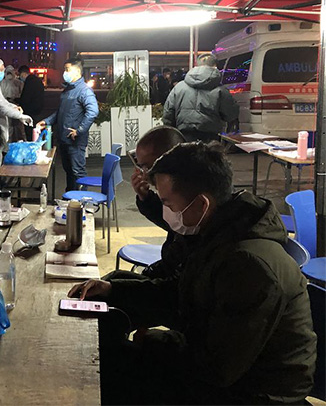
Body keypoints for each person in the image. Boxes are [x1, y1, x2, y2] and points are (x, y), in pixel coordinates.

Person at [69, 142, 317, 405]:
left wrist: (153, 340)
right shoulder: (217, 232)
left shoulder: (249, 265)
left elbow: (217, 366)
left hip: (255, 393)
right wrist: (112, 290)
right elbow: (180, 292)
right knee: (110, 357)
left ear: (201, 203)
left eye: (167, 203)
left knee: (109, 376)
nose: (165, 211)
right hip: (227, 373)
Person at [103, 126, 187, 282]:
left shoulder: (191, 201)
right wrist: (146, 197)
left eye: (147, 166)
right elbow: (171, 227)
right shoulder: (183, 201)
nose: (144, 173)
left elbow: (176, 287)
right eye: (140, 166)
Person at [37, 56, 98, 192]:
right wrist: (46, 121)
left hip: (75, 141)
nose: (65, 73)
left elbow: (93, 112)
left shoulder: (84, 91)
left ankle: (81, 200)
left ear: (77, 71)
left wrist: (79, 130)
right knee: (69, 171)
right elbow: (60, 112)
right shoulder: (67, 90)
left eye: (67, 69)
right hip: (64, 139)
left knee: (78, 172)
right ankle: (70, 197)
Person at [163, 53, 239, 142]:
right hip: (210, 139)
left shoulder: (179, 87)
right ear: (215, 67)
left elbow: (168, 114)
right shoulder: (220, 90)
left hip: (183, 137)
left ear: (196, 66)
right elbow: (231, 114)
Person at [17, 65, 45, 141]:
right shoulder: (37, 80)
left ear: (23, 73)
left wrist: (17, 101)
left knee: (30, 133)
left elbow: (25, 98)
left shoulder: (29, 82)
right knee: (36, 132)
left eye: (20, 75)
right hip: (38, 110)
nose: (19, 77)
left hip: (30, 112)